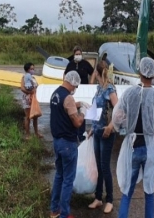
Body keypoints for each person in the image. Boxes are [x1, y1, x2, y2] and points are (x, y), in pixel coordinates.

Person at [112, 57, 154, 218]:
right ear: (153, 74)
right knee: (149, 190)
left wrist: (123, 127)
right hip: (150, 147)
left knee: (127, 190)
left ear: (139, 72)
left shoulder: (129, 93)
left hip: (132, 146)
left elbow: (116, 117)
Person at [49, 71, 92, 218]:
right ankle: (65, 214)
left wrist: (78, 103)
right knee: (68, 180)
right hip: (68, 143)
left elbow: (64, 108)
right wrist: (83, 113)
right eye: (76, 86)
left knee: (59, 175)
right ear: (72, 83)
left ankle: (54, 209)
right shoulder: (68, 97)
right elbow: (77, 122)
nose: (75, 89)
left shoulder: (55, 94)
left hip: (57, 142)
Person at [87, 60, 119, 214]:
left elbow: (119, 110)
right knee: (99, 167)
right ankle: (98, 197)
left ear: (97, 73)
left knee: (105, 168)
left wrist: (111, 127)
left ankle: (110, 200)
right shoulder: (99, 88)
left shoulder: (109, 89)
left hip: (107, 133)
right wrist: (92, 128)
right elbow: (96, 109)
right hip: (97, 132)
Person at [64, 45, 95, 142]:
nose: (78, 55)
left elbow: (93, 72)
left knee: (82, 110)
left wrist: (91, 83)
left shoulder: (85, 63)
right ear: (73, 55)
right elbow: (65, 75)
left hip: (84, 90)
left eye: (79, 54)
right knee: (72, 110)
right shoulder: (70, 64)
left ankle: (81, 134)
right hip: (73, 90)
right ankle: (73, 132)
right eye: (76, 54)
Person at [20, 62, 42, 139]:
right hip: (27, 99)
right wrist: (30, 92)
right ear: (27, 69)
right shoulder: (24, 77)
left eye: (33, 69)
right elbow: (22, 88)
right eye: (31, 69)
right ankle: (27, 134)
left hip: (34, 99)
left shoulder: (33, 78)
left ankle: (36, 133)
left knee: (35, 116)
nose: (33, 70)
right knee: (28, 116)